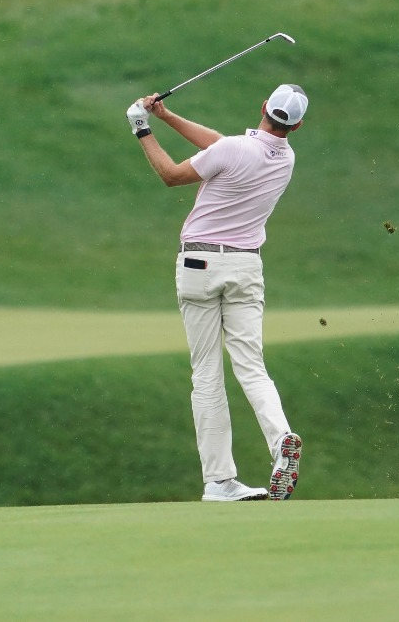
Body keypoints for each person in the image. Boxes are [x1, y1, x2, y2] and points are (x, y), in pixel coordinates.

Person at [125, 84, 307, 501]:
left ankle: (219, 481)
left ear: (263, 107)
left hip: (199, 266)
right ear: (296, 124)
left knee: (207, 373)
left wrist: (142, 127)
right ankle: (281, 442)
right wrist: (168, 117)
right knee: (252, 366)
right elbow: (224, 146)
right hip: (246, 267)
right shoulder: (284, 158)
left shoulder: (233, 151)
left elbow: (172, 176)